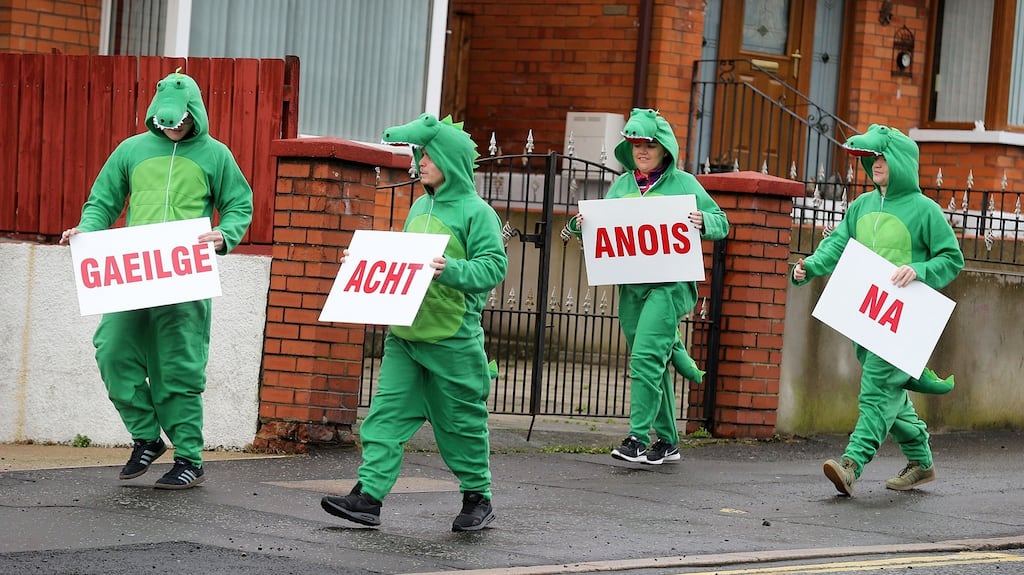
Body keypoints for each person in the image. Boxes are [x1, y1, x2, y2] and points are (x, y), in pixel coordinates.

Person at [59, 69, 253, 490]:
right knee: (112, 349)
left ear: (194, 113)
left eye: (179, 120)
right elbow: (102, 201)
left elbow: (239, 205)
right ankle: (146, 436)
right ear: (154, 114)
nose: (172, 127)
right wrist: (86, 230)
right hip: (132, 274)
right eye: (164, 120)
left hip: (185, 276)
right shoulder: (130, 150)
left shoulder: (216, 154)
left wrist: (225, 235)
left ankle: (190, 457)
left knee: (177, 367)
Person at [320, 113, 508, 531]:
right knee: (384, 418)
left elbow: (494, 267)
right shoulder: (420, 205)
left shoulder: (478, 213)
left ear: (451, 161)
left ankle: (478, 497)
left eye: (429, 155)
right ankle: (367, 498)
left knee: (461, 426)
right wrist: (363, 266)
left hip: (453, 340)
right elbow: (404, 266)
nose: (420, 161)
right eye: (420, 154)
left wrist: (451, 270)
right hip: (404, 336)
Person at [792, 124, 964, 496]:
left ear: (900, 160)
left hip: (903, 322)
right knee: (890, 396)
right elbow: (837, 244)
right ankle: (922, 462)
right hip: (865, 318)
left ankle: (851, 464)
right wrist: (810, 266)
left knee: (875, 390)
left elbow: (953, 260)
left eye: (882, 157)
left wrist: (920, 270)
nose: (876, 164)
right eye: (873, 158)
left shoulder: (925, 211)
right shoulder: (861, 205)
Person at [570, 108, 729, 465]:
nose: (642, 151)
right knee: (652, 360)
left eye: (650, 145)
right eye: (636, 145)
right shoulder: (623, 184)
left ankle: (638, 438)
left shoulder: (685, 183)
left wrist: (705, 220)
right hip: (631, 287)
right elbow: (600, 227)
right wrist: (581, 224)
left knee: (644, 359)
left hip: (670, 285)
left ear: (664, 149)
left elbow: (723, 221)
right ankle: (669, 441)